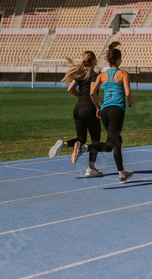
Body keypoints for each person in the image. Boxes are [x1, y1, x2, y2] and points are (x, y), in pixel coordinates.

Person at [71, 42, 135, 183]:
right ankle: (84, 147)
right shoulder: (124, 74)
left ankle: (121, 173)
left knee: (116, 141)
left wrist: (98, 107)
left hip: (105, 111)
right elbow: (128, 92)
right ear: (118, 60)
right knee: (109, 146)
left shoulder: (102, 75)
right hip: (116, 110)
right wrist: (130, 102)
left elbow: (92, 92)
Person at [48, 51, 103, 177]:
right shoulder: (94, 75)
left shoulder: (80, 74)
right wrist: (97, 107)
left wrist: (82, 98)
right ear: (93, 60)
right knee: (95, 139)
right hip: (89, 109)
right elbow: (91, 93)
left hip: (77, 108)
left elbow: (70, 89)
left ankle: (64, 144)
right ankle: (91, 169)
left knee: (81, 139)